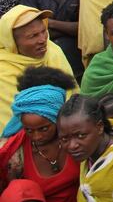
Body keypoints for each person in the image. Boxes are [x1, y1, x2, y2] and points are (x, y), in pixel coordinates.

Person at [0, 67, 78, 201]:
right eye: (29, 130)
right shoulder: (13, 154)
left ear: (57, 118)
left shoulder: (79, 138)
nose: (37, 137)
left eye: (44, 129)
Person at [0, 5, 73, 130]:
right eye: (33, 36)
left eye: (43, 31)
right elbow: (13, 122)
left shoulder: (53, 51)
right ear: (12, 42)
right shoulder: (3, 71)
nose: (43, 39)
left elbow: (73, 96)